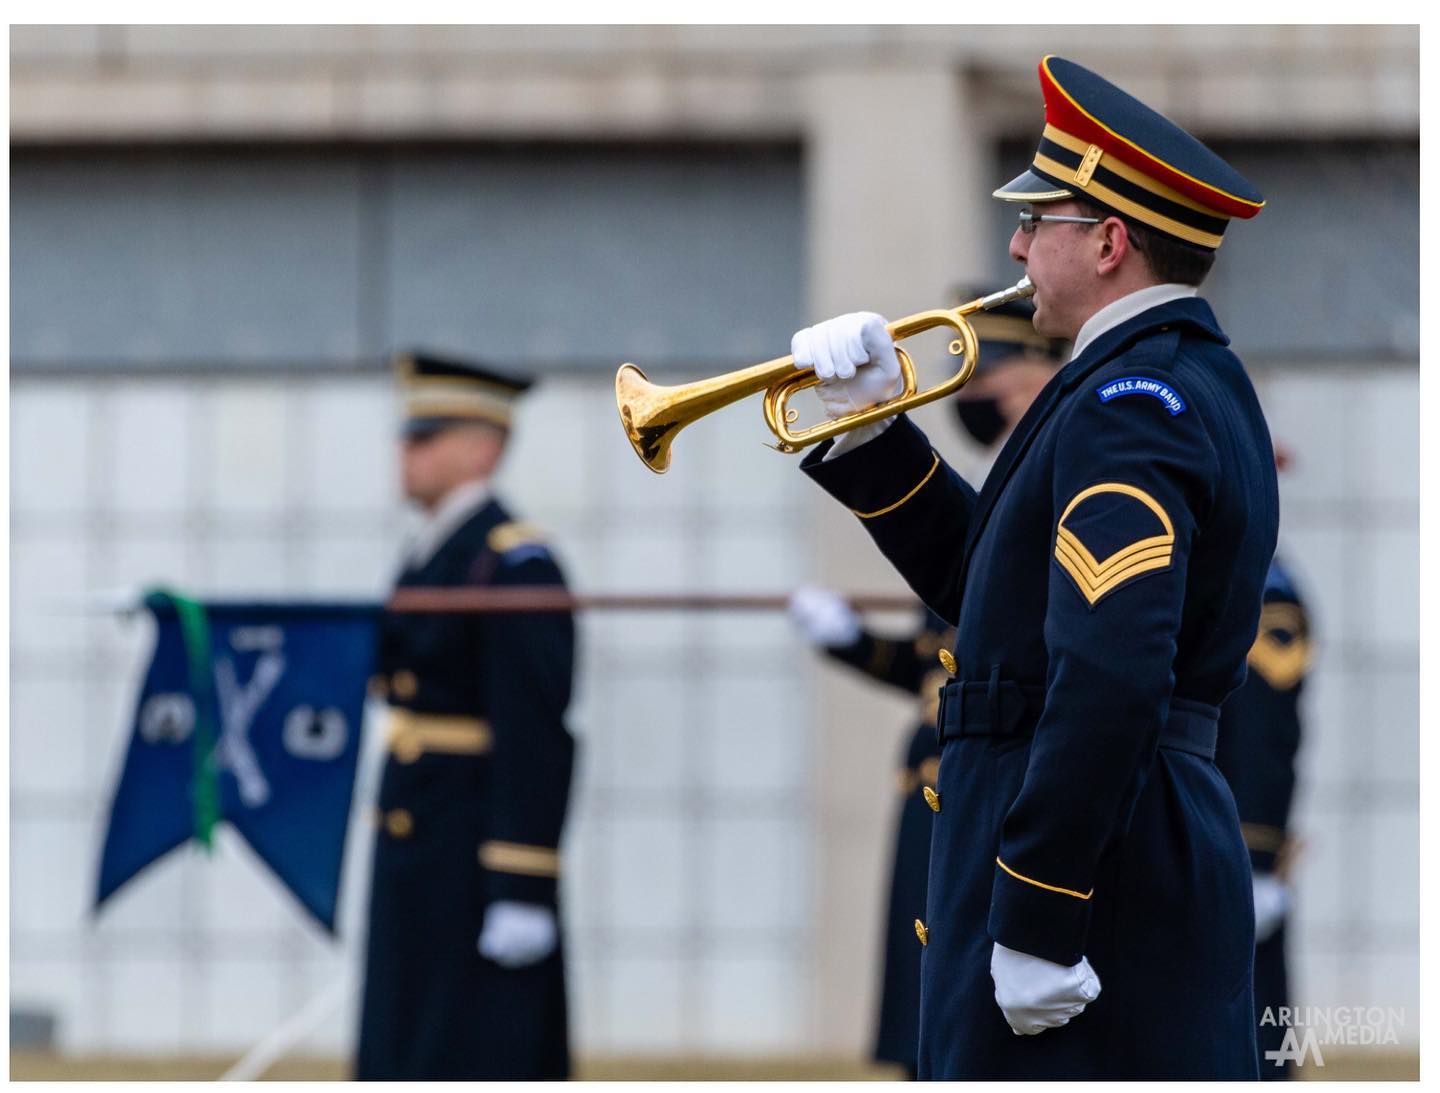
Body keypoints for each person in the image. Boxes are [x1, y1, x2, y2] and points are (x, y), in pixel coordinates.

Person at [789, 55, 1276, 1078]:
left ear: (1107, 241)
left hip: (1101, 868)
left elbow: (1107, 669)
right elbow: (1003, 602)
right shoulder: (1156, 383)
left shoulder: (1130, 402)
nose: (1013, 243)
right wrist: (871, 427)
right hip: (1127, 843)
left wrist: (1043, 904)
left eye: (1036, 220)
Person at [786, 296, 1065, 1078]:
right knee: (931, 1017)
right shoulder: (990, 487)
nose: (979, 395)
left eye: (999, 376)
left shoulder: (1057, 475)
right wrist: (849, 644)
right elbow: (938, 657)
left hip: (1006, 780)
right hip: (940, 775)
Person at [356, 351, 576, 1079]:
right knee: (410, 1042)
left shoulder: (514, 562)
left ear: (483, 445)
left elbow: (535, 731)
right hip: (420, 845)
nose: (403, 453)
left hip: (473, 852)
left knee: (475, 1048)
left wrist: (523, 883)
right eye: (405, 436)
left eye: (425, 436)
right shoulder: (432, 552)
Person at [1214, 468, 1313, 1079]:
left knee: (1255, 1040)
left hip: (1234, 840)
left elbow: (1266, 732)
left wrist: (1258, 854)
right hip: (1206, 832)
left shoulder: (1262, 592)